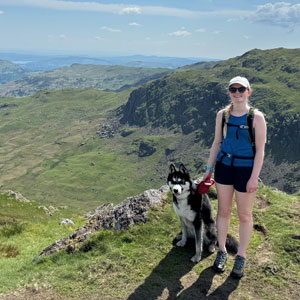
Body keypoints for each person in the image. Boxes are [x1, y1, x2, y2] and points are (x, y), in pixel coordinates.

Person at [202, 76, 267, 278]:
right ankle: (221, 251)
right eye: (233, 89)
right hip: (224, 168)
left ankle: (241, 256)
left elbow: (260, 150)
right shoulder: (222, 115)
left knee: (244, 215)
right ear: (229, 92)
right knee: (223, 211)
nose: (237, 93)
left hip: (245, 170)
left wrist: (254, 177)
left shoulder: (256, 118)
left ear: (249, 92)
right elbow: (217, 143)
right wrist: (208, 169)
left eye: (241, 89)